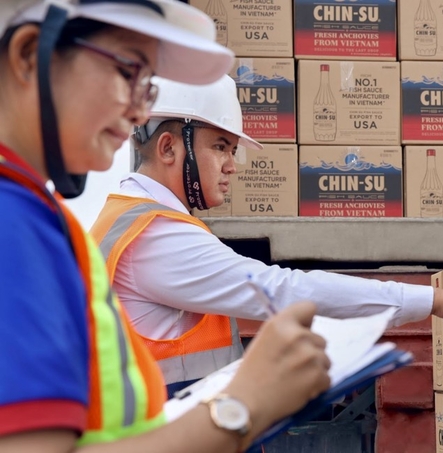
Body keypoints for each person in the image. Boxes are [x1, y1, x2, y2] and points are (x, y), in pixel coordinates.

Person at [0, 1, 331, 452]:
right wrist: (240, 408)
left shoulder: (40, 215)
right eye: (128, 72)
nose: (139, 114)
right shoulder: (13, 223)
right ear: (28, 54)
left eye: (148, 88)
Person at [90, 72, 443, 393]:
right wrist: (438, 300)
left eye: (233, 151)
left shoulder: (130, 221)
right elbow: (281, 290)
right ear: (168, 147)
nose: (230, 166)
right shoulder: (154, 237)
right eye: (220, 147)